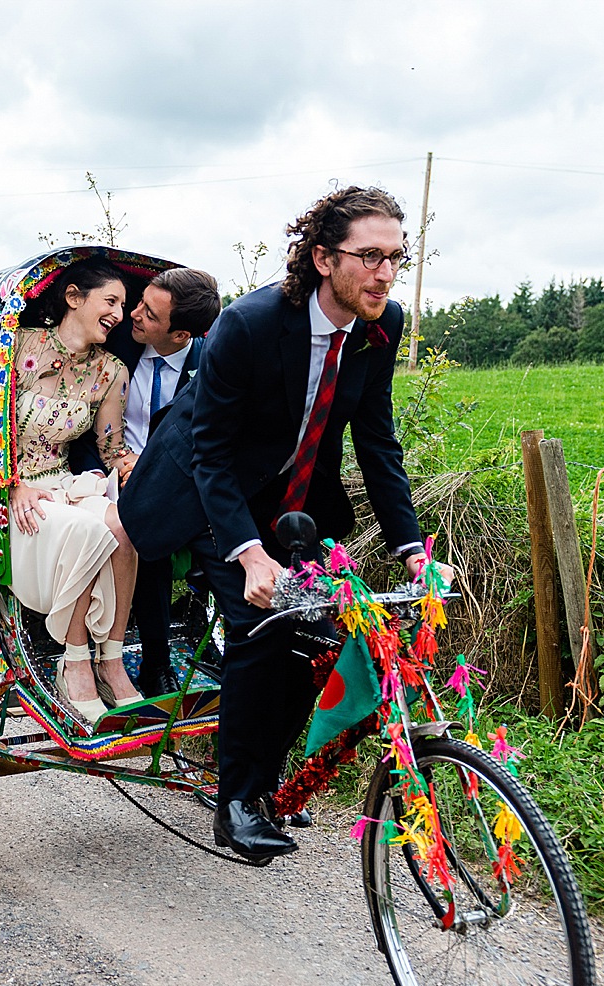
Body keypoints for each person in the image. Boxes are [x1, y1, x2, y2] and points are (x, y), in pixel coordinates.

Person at [119, 187, 446, 863]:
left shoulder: (383, 325)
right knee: (258, 623)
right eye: (371, 256)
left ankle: (260, 782)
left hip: (295, 501)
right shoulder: (250, 323)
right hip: (208, 490)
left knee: (319, 637)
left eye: (397, 257)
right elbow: (210, 450)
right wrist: (248, 552)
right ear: (325, 258)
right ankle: (236, 801)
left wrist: (411, 547)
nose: (387, 272)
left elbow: (377, 441)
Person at [6, 258, 145, 725]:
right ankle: (76, 660)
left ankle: (112, 657)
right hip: (13, 491)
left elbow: (111, 448)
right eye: (111, 301)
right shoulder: (18, 349)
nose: (120, 314)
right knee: (89, 530)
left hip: (65, 485)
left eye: (124, 305)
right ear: (73, 298)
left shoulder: (111, 370)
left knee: (125, 526)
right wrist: (12, 485)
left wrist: (137, 468)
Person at [80, 267, 221, 696]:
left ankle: (219, 645)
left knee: (186, 525)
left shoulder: (211, 366)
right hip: (103, 471)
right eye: (139, 302)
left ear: (181, 336)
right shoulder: (117, 343)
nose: (133, 315)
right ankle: (155, 662)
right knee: (145, 525)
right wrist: (114, 465)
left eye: (149, 314)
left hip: (177, 480)